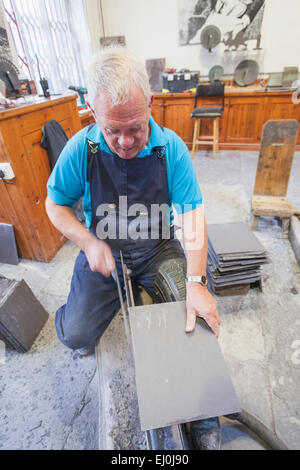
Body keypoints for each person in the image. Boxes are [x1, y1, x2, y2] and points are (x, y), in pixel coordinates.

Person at [45, 47, 221, 450]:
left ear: (151, 104)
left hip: (157, 248)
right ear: (92, 110)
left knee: (196, 313)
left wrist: (195, 282)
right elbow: (54, 204)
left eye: (135, 128)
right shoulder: (81, 149)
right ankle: (72, 314)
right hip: (104, 253)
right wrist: (88, 243)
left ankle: (204, 417)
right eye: (112, 130)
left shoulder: (170, 148)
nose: (124, 141)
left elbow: (192, 216)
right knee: (75, 334)